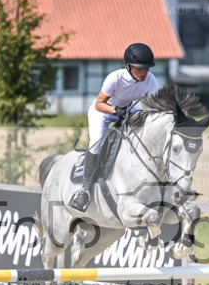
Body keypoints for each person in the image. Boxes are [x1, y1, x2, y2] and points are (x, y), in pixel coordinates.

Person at [69, 42, 160, 212]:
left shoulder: (151, 80)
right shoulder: (115, 78)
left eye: (146, 68)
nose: (144, 72)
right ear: (128, 66)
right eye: (139, 68)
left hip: (127, 109)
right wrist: (116, 110)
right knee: (96, 144)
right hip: (103, 112)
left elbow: (155, 105)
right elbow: (99, 104)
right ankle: (84, 191)